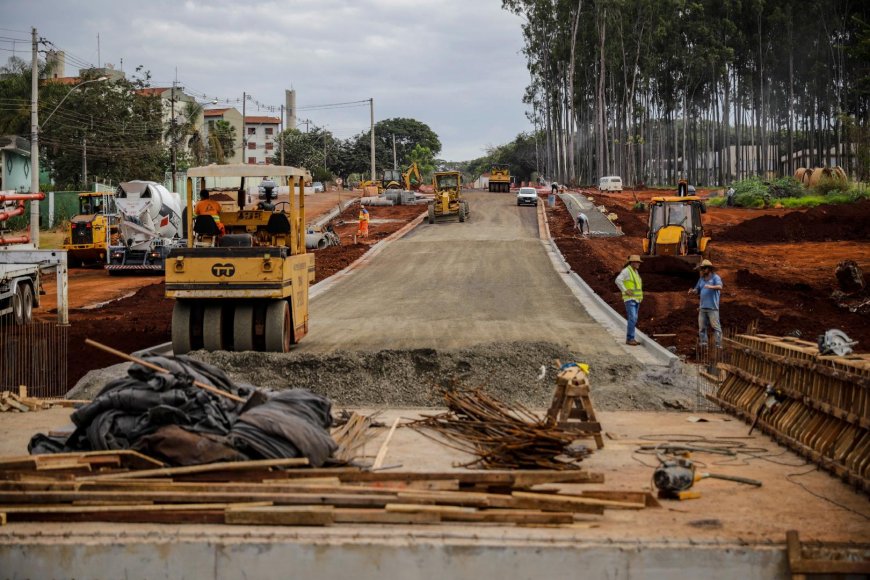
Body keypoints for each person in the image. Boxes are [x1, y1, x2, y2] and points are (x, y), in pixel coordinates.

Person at [688, 259, 723, 349]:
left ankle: (718, 345)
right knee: (702, 328)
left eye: (704, 268)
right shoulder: (701, 279)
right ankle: (704, 344)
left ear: (709, 269)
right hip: (702, 308)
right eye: (702, 269)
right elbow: (697, 290)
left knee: (716, 327)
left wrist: (711, 286)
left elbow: (720, 287)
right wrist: (692, 291)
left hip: (713, 308)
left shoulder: (716, 278)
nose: (703, 270)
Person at [615, 255, 643, 346]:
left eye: (639, 262)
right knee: (632, 318)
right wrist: (625, 290)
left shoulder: (635, 272)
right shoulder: (627, 271)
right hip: (630, 299)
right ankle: (630, 338)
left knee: (634, 319)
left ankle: (632, 338)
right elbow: (618, 280)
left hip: (636, 299)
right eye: (637, 262)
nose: (638, 263)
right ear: (632, 262)